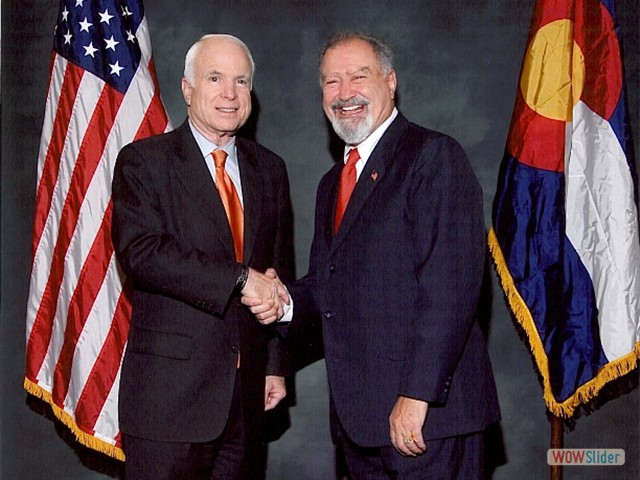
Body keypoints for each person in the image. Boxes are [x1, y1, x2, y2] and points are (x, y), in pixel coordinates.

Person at [245, 32, 500, 479]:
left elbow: (450, 288)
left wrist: (417, 396)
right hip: (360, 428)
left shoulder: (433, 157)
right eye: (331, 82)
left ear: (391, 81)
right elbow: (330, 285)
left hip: (427, 423)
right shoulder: (333, 183)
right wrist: (282, 300)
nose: (345, 94)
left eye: (358, 77)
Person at [111, 34, 294, 480]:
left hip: (247, 399)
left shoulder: (270, 168)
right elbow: (142, 252)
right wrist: (239, 279)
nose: (229, 94)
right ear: (188, 89)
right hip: (168, 403)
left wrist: (274, 365)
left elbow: (278, 269)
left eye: (241, 81)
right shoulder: (144, 162)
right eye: (215, 78)